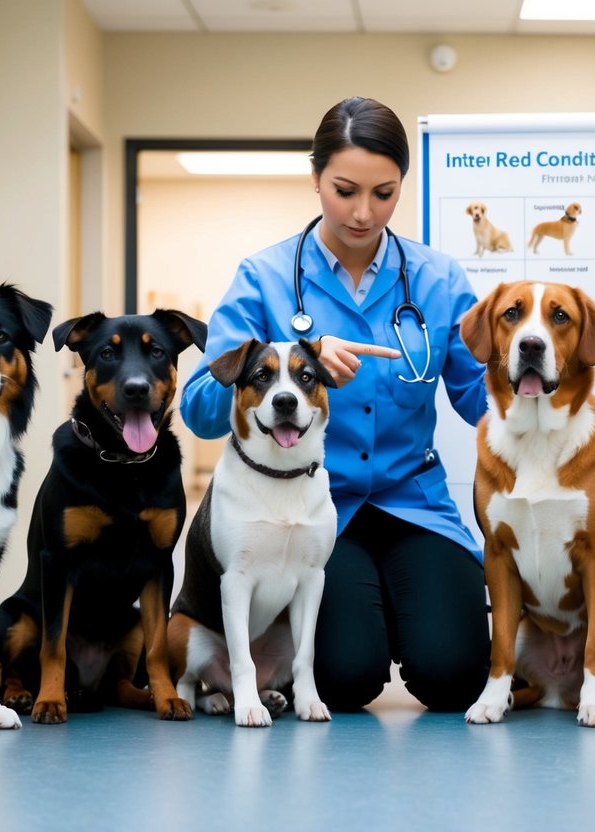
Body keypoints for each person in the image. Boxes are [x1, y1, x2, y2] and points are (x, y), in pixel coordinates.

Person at [179, 96, 490, 712]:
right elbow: (197, 408)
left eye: (384, 193)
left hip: (414, 501)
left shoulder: (437, 279)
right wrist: (292, 365)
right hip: (315, 511)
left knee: (454, 677)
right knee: (345, 679)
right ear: (315, 176)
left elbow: (479, 398)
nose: (362, 212)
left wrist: (535, 375)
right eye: (344, 189)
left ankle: (408, 615)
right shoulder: (264, 277)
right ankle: (373, 622)